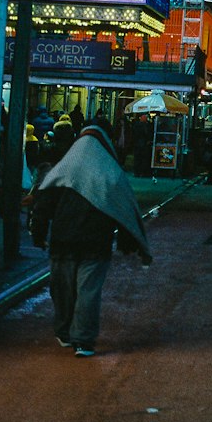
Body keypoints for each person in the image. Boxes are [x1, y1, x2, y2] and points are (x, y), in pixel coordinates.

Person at [30, 114, 152, 357]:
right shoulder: (109, 170)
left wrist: (39, 232)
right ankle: (83, 341)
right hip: (96, 242)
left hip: (63, 241)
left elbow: (44, 201)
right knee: (88, 291)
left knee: (62, 290)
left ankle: (64, 332)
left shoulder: (65, 167)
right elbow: (123, 207)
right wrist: (130, 242)